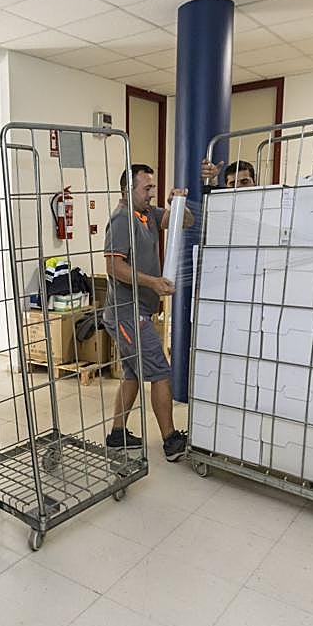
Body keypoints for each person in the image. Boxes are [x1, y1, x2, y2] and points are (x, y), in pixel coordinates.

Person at [103, 163, 194, 461]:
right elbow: (114, 267)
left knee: (131, 373)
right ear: (127, 190)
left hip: (138, 311)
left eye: (153, 187)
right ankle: (170, 441)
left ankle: (117, 435)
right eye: (147, 188)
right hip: (126, 313)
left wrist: (176, 204)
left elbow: (186, 222)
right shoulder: (121, 220)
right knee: (160, 372)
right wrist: (154, 282)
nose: (151, 193)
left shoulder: (148, 215)